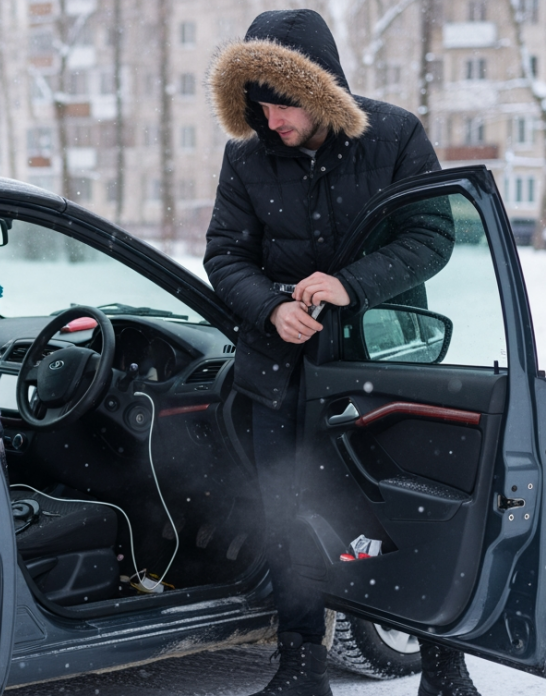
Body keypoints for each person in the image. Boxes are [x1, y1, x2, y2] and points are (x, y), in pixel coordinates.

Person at [203, 9, 477, 696]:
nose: (271, 121)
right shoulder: (246, 156)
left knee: (407, 512)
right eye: (258, 107)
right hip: (281, 372)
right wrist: (272, 307)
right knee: (287, 512)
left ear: (318, 89)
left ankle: (443, 664)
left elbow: (431, 236)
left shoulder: (394, 135)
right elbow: (225, 254)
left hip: (379, 368)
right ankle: (301, 667)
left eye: (282, 105)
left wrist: (352, 285)